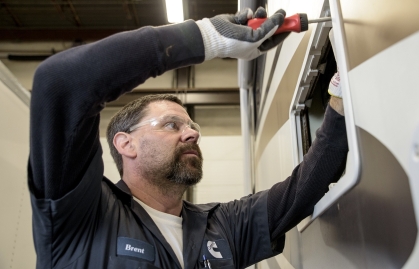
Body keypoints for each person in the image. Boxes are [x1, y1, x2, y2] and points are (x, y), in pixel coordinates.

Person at [28, 7, 348, 269]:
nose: (193, 133)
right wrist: (205, 37)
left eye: (191, 125)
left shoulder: (222, 225)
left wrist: (338, 94)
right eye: (171, 125)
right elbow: (59, 82)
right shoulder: (81, 216)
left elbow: (306, 187)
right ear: (126, 143)